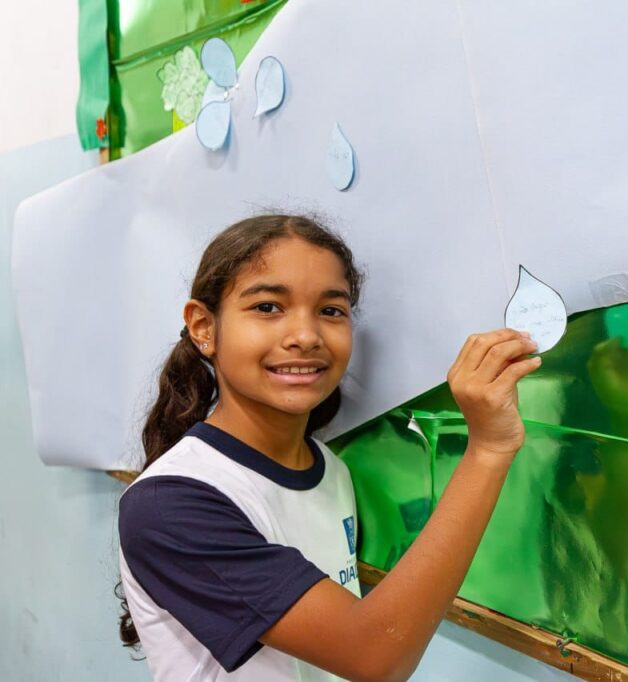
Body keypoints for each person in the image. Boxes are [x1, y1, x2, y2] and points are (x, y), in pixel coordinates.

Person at [116, 214, 542, 681]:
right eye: (267, 308)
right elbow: (373, 656)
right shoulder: (171, 505)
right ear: (203, 327)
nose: (306, 336)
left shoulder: (330, 469)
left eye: (331, 311)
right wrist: (488, 449)